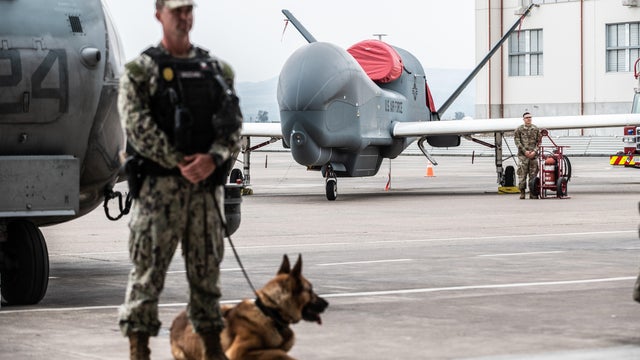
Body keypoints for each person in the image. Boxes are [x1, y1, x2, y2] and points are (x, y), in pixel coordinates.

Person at [117, 0, 242, 359]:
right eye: (176, 11)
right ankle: (139, 351)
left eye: (189, 9)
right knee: (146, 279)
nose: (184, 17)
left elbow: (232, 126)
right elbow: (137, 126)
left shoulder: (217, 71)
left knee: (207, 282)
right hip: (159, 195)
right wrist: (179, 161)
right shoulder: (141, 72)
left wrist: (213, 159)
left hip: (204, 195)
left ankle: (212, 350)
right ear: (159, 14)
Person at [514, 112, 541, 199]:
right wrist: (525, 151)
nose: (528, 119)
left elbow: (539, 142)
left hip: (533, 156)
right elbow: (517, 141)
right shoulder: (519, 129)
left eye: (530, 117)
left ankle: (532, 193)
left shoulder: (536, 129)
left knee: (533, 175)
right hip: (523, 156)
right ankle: (522, 192)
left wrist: (534, 151)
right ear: (523, 119)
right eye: (526, 117)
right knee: (522, 175)